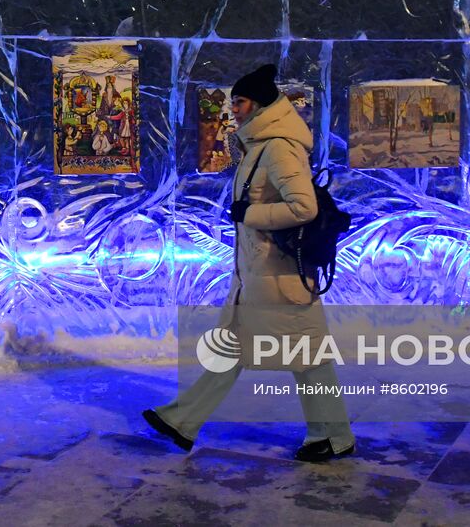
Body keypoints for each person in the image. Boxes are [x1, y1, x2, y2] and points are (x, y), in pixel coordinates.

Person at [142, 64, 356, 463]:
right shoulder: (262, 145)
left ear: (257, 104)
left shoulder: (278, 147)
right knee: (278, 354)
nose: (234, 110)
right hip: (262, 275)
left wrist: (248, 214)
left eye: (239, 102)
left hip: (280, 276)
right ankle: (184, 421)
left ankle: (334, 435)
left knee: (304, 359)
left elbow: (304, 207)